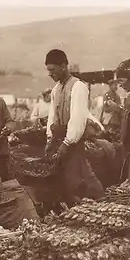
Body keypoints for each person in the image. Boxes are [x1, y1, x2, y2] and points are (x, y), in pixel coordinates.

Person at [43, 49, 104, 206]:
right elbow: (52, 116)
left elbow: (78, 118)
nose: (49, 74)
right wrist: (50, 138)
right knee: (63, 180)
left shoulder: (78, 87)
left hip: (73, 143)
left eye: (52, 69)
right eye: (48, 70)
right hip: (60, 140)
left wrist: (67, 143)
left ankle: (94, 202)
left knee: (77, 177)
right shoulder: (56, 90)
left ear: (63, 66)